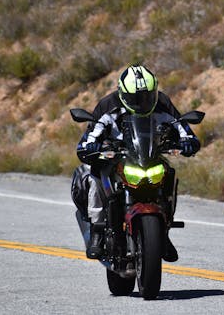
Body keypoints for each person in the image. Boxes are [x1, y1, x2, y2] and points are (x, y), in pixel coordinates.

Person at [72, 64, 200, 262]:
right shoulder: (108, 106)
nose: (142, 103)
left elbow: (182, 128)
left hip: (148, 155)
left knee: (167, 172)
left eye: (147, 97)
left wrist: (188, 142)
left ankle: (163, 231)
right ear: (123, 93)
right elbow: (90, 136)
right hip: (116, 157)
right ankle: (97, 230)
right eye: (136, 98)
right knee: (94, 175)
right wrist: (90, 147)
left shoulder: (163, 103)